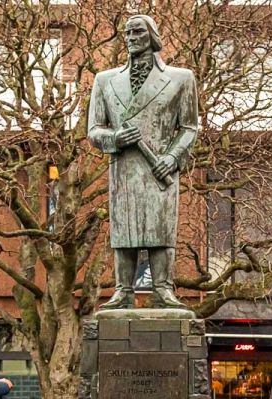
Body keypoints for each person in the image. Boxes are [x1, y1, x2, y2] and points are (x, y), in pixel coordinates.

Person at [87, 14, 198, 309]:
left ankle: (162, 288)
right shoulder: (105, 81)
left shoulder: (181, 79)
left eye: (137, 32)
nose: (131, 38)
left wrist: (172, 158)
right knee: (125, 228)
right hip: (124, 168)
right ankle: (124, 290)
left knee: (160, 228)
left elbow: (189, 128)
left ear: (152, 35)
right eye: (127, 33)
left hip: (159, 168)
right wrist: (116, 139)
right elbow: (94, 130)